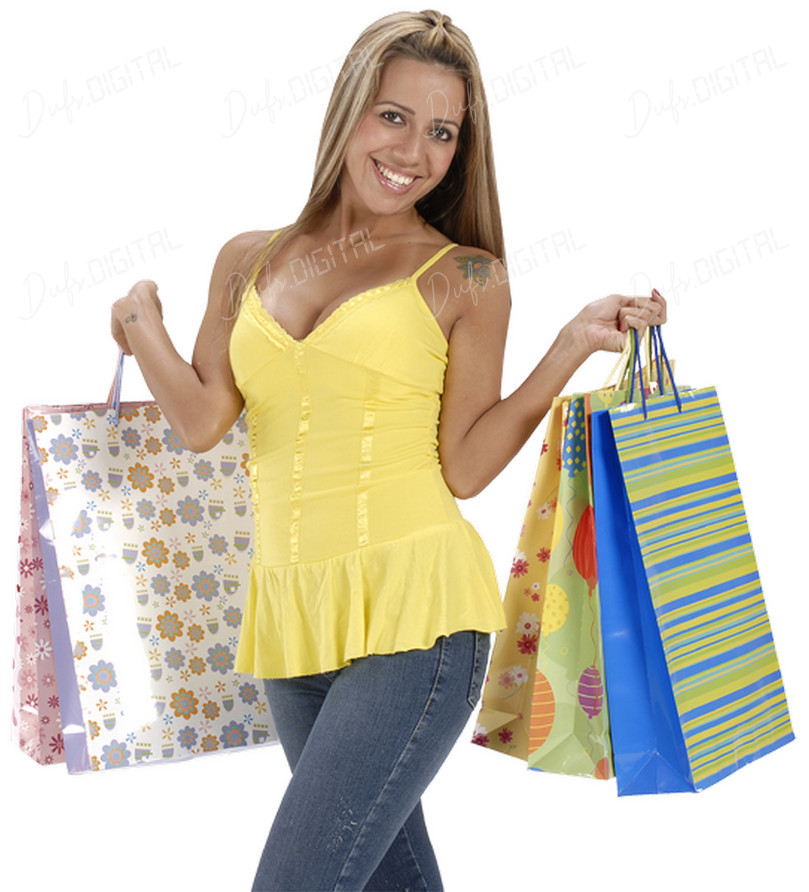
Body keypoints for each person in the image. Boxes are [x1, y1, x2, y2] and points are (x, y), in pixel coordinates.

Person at [111, 10, 666, 890]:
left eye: (441, 131)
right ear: (347, 110)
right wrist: (141, 321)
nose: (413, 150)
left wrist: (563, 349)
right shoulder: (247, 259)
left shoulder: (466, 275)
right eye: (393, 115)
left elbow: (466, 469)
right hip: (291, 622)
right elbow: (203, 419)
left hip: (418, 620)